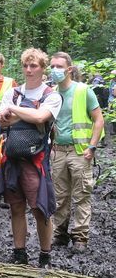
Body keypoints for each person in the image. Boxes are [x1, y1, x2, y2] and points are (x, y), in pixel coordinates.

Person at [0, 48, 62, 268]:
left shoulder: (51, 95)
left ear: (42, 68)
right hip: (12, 158)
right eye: (26, 65)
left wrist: (15, 111)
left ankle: (45, 255)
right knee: (16, 207)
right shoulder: (13, 92)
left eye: (33, 66)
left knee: (39, 208)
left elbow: (42, 116)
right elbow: (2, 122)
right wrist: (28, 115)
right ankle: (19, 252)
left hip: (36, 161)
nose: (29, 69)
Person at [50, 52, 104, 253]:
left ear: (69, 69)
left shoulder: (83, 90)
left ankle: (80, 237)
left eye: (59, 66)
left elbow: (98, 119)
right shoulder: (51, 93)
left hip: (80, 152)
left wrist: (92, 146)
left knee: (81, 195)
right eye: (52, 66)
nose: (54, 70)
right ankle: (60, 234)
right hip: (57, 152)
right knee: (59, 196)